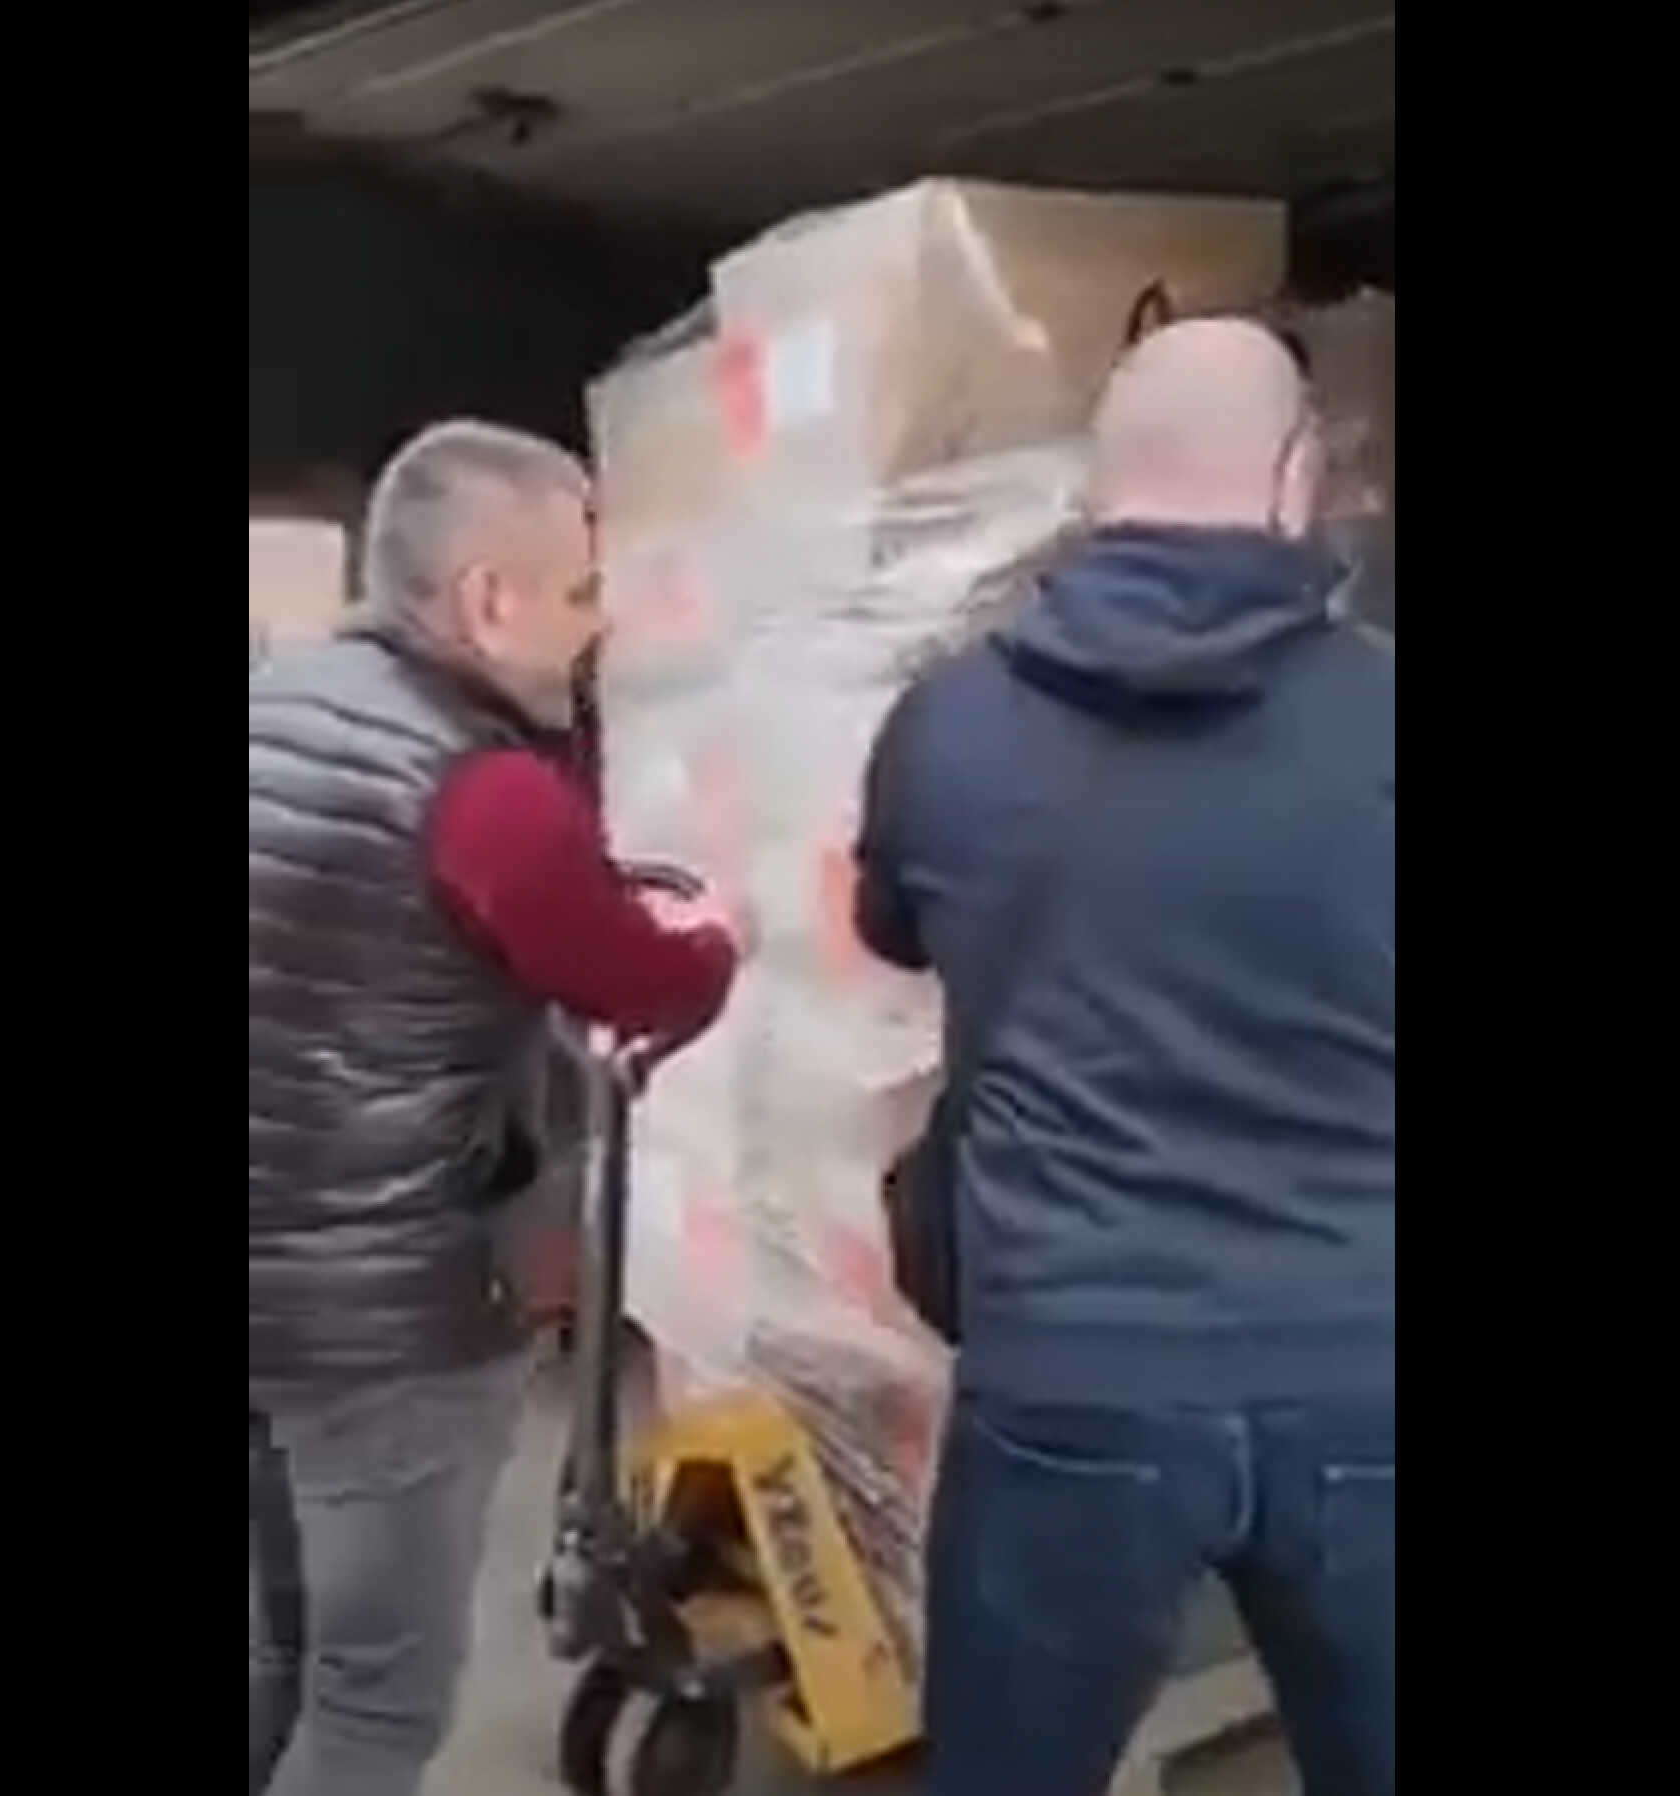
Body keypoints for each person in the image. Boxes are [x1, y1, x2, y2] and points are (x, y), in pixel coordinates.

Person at [851, 319, 1395, 1796]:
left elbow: (894, 935)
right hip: (1363, 1363)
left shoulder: (947, 727)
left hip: (1068, 1368)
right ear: (1297, 475)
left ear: (1099, 486)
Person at [249, 419, 746, 1796]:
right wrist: (717, 939)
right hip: (384, 1323)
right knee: (376, 1701)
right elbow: (635, 979)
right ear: (487, 600)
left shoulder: (276, 704)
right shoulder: (486, 794)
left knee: (276, 1643)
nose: (598, 626)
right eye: (581, 591)